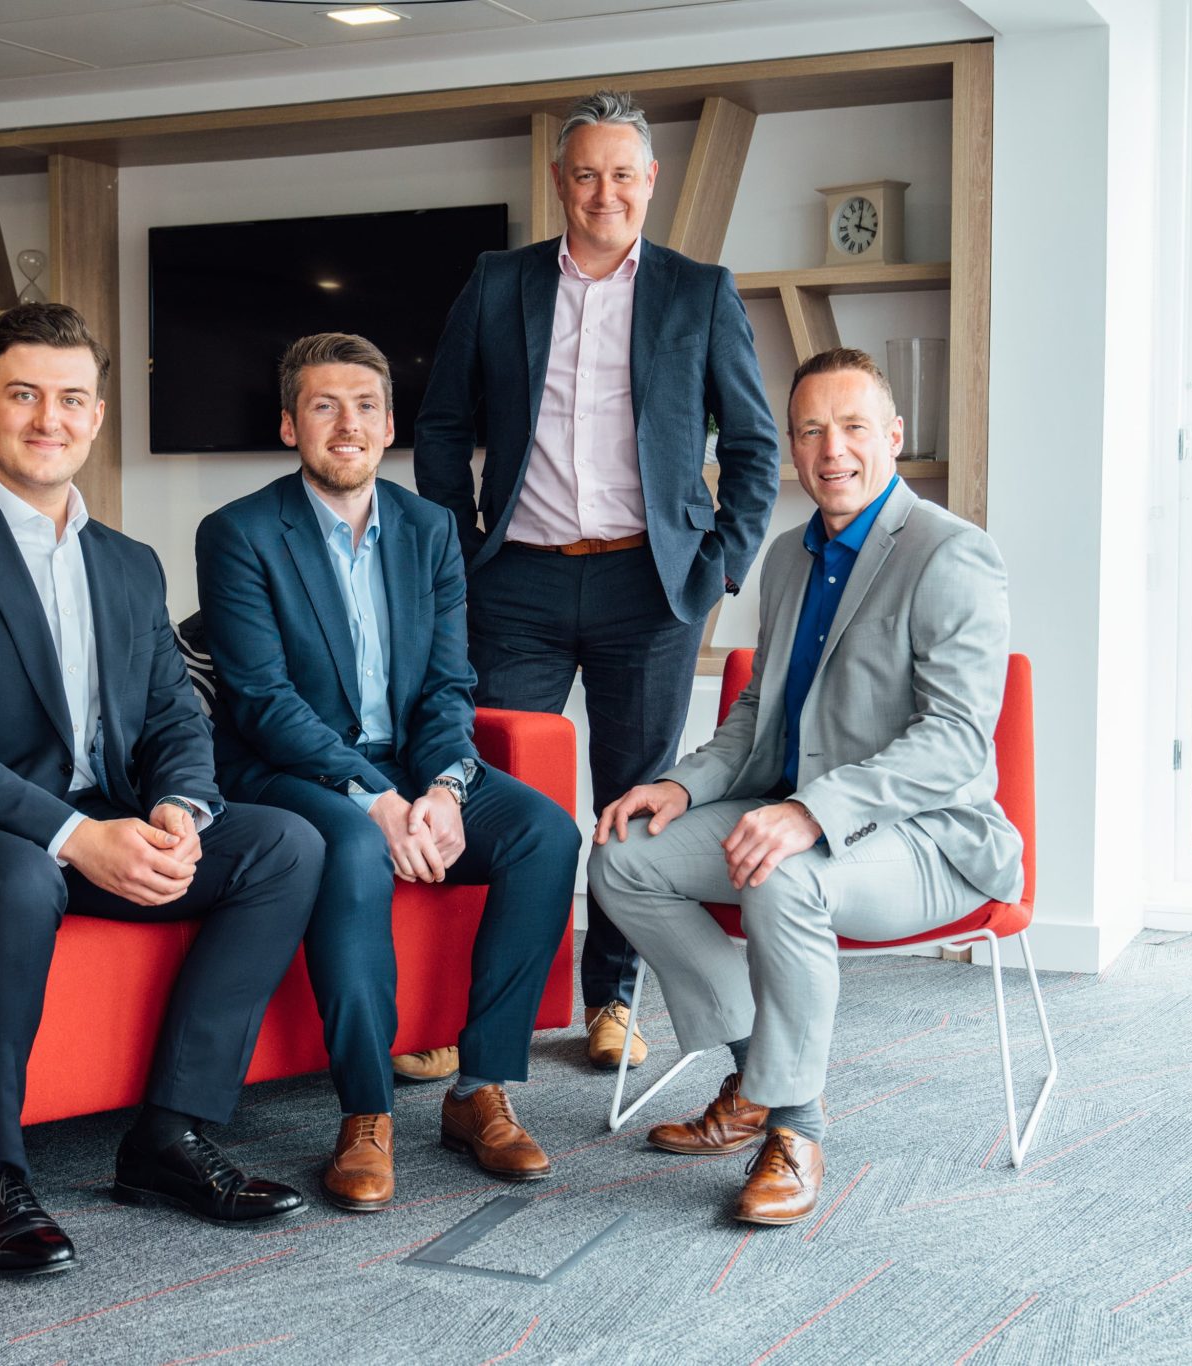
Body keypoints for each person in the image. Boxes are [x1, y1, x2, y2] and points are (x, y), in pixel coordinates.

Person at [0, 303, 323, 1277]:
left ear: (95, 418)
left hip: (90, 828)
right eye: (24, 394)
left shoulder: (127, 564)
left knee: (283, 843)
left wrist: (179, 809)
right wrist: (70, 836)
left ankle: (168, 1136)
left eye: (71, 399)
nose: (48, 418)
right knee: (20, 875)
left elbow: (175, 715)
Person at [586, 348, 1023, 1227]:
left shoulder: (952, 554)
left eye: (855, 426)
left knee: (785, 873)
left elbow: (955, 740)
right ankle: (756, 1071)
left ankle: (797, 1127)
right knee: (621, 855)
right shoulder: (787, 556)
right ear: (791, 445)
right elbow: (757, 712)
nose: (834, 449)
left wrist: (809, 811)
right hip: (795, 813)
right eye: (813, 430)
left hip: (928, 838)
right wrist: (680, 785)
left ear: (893, 436)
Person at [414, 89, 780, 1073]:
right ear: (558, 181)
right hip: (515, 587)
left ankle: (609, 998)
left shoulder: (697, 291)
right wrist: (456, 553)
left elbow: (752, 446)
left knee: (628, 802)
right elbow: (443, 428)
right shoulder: (498, 283)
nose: (603, 192)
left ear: (648, 182)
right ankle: (466, 1009)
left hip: (649, 590)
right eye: (585, 174)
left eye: (622, 174)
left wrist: (713, 574)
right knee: (491, 792)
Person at [196, 333, 581, 1210]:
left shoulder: (430, 528)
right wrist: (378, 801)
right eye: (325, 406)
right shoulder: (240, 534)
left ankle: (479, 1087)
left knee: (544, 832)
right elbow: (262, 702)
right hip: (291, 770)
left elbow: (449, 683)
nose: (347, 424)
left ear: (389, 424)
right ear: (290, 423)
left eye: (365, 406)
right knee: (355, 850)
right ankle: (365, 1110)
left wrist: (445, 787)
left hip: (413, 766)